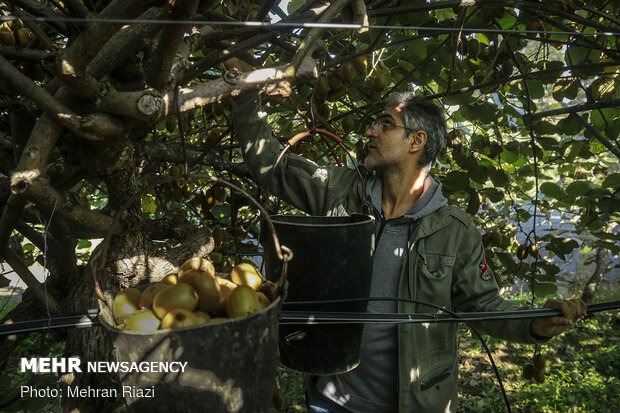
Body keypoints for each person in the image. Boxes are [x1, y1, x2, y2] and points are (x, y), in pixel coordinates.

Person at [231, 83, 587, 413]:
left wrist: (534, 323)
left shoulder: (455, 231)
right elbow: (271, 167)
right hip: (331, 400)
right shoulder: (339, 191)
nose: (370, 131)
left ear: (416, 141)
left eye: (386, 124)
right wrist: (246, 91)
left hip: (415, 404)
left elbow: (484, 306)